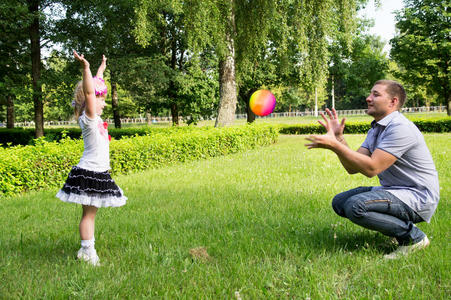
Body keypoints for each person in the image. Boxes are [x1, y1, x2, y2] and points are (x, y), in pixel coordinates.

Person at [305, 80, 440, 259]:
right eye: (370, 94)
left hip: (418, 196)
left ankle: (414, 238)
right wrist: (339, 139)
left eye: (376, 94)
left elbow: (371, 168)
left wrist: (335, 146)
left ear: (393, 102)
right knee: (340, 202)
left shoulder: (400, 128)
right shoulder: (377, 129)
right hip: (395, 191)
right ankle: (398, 230)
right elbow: (353, 168)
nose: (368, 98)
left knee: (356, 206)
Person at [56, 51, 127, 266]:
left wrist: (101, 69)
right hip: (90, 173)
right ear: (88, 101)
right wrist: (86, 68)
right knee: (89, 215)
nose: (104, 104)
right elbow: (89, 90)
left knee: (90, 214)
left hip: (97, 172)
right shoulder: (88, 119)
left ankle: (86, 250)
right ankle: (87, 251)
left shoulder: (94, 118)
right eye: (100, 99)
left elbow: (95, 85)